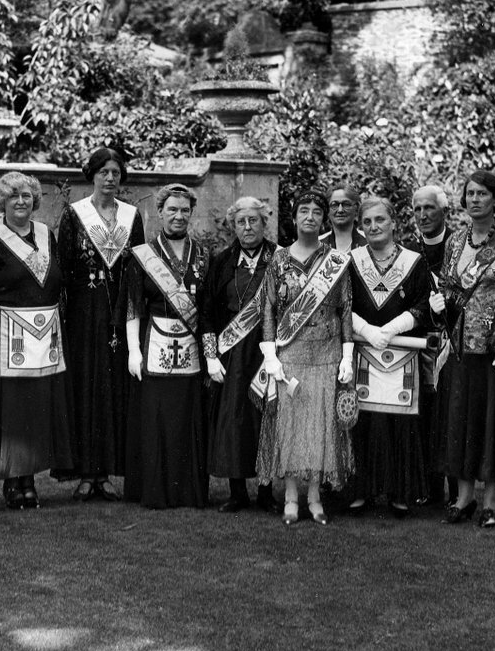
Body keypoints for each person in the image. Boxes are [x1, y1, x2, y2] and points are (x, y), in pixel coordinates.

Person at [0, 172, 74, 507]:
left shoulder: (45, 234)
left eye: (27, 195)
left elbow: (60, 282)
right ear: (2, 201)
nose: (20, 201)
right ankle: (15, 481)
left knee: (38, 407)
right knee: (14, 410)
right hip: (9, 331)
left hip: (45, 334)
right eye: (13, 196)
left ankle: (30, 478)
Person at [432, 169, 495, 528]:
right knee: (459, 421)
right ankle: (464, 495)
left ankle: (491, 496)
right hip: (458, 346)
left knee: (489, 423)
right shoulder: (455, 241)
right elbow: (451, 288)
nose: (475, 199)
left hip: (493, 349)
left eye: (482, 194)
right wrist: (441, 304)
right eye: (470, 193)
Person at [255, 189, 355, 526]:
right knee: (292, 424)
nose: (310, 217)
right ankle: (291, 496)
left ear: (323, 219)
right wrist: (270, 351)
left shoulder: (335, 260)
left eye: (316, 211)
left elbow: (345, 308)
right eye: (303, 211)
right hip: (291, 354)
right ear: (294, 218)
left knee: (320, 424)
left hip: (326, 352)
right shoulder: (279, 259)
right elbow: (267, 306)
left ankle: (315, 495)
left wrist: (346, 354)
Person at [57, 147, 145, 501]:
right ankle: (85, 472)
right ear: (91, 175)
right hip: (83, 313)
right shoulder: (74, 215)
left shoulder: (132, 216)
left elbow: (139, 265)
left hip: (120, 312)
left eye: (115, 172)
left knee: (112, 390)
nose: (110, 178)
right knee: (86, 388)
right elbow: (62, 268)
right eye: (104, 172)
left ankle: (106, 473)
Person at [124, 184, 210, 508]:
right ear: (159, 212)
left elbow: (209, 309)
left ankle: (188, 491)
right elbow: (133, 305)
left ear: (191, 213)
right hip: (154, 345)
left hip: (190, 349)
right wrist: (134, 351)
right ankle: (157, 492)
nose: (178, 216)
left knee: (187, 419)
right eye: (172, 209)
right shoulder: (143, 254)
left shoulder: (202, 255)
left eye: (184, 210)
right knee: (156, 420)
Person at [347, 196, 432, 517]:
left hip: (402, 354)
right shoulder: (351, 261)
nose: (373, 227)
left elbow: (424, 305)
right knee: (361, 423)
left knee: (400, 425)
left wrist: (392, 329)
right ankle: (360, 492)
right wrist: (369, 331)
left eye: (379, 220)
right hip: (362, 351)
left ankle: (399, 492)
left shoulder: (415, 261)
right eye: (367, 222)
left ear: (393, 222)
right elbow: (342, 305)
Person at [202, 196, 279, 513]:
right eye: (241, 222)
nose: (247, 227)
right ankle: (237, 493)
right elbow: (206, 311)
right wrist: (210, 356)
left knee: (266, 419)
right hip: (231, 354)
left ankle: (265, 491)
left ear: (264, 223)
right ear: (233, 226)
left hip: (268, 351)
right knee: (234, 421)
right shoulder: (221, 262)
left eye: (253, 220)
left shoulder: (280, 259)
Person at [410, 184, 453, 507]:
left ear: (444, 212)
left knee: (452, 418)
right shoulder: (410, 252)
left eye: (429, 209)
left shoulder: (461, 247)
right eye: (418, 210)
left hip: (455, 346)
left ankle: (456, 488)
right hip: (420, 345)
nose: (423, 215)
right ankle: (429, 487)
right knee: (424, 417)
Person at [319, 185, 366, 252]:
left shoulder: (369, 242)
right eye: (334, 205)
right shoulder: (318, 245)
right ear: (327, 210)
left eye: (346, 204)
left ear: (356, 208)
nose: (340, 210)